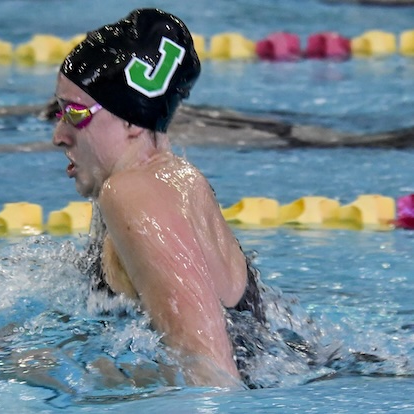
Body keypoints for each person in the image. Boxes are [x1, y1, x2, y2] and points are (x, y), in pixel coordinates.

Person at [52, 8, 265, 388]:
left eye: (75, 114)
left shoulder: (132, 193)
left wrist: (58, 372)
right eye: (58, 113)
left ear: (132, 120)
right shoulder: (174, 177)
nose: (59, 135)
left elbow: (212, 378)